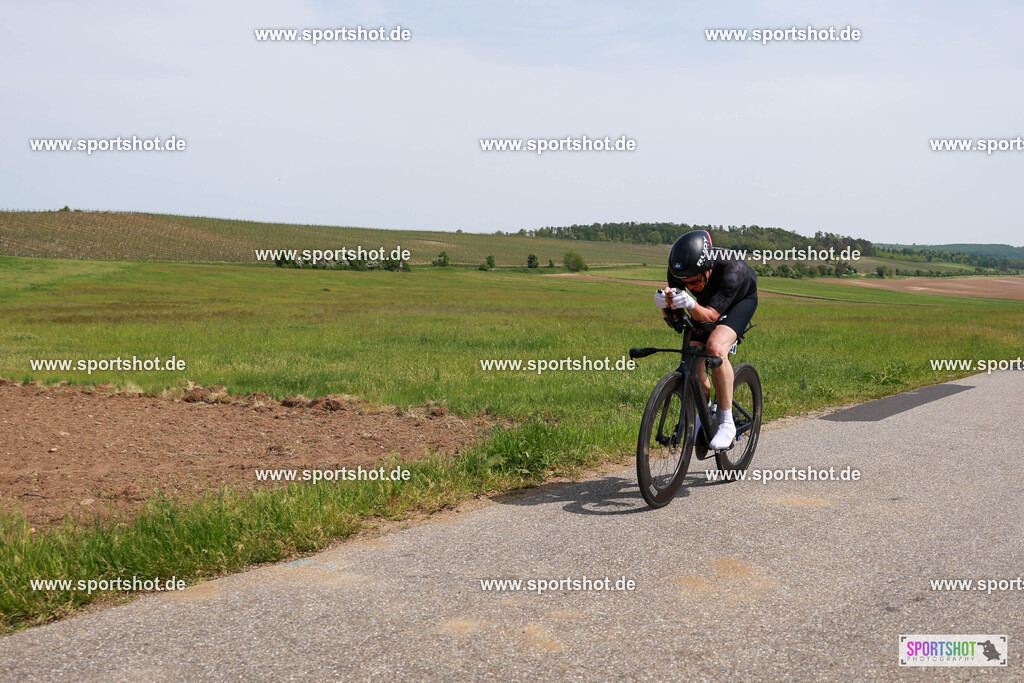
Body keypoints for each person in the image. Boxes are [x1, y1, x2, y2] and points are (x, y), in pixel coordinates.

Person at [654, 230, 758, 450]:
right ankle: (706, 411)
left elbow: (711, 317)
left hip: (739, 301)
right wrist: (666, 306)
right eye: (685, 283)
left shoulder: (732, 269)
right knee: (693, 362)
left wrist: (691, 304)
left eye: (694, 281)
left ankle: (727, 422)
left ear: (708, 268)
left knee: (715, 348)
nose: (690, 287)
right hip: (706, 305)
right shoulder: (679, 271)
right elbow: (678, 322)